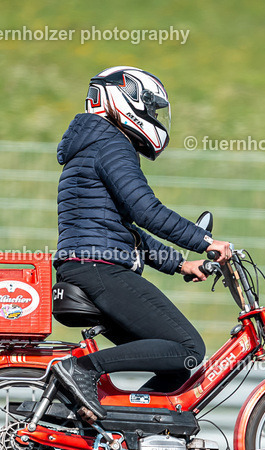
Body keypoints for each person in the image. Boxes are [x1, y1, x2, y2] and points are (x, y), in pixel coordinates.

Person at [51, 66, 232, 420]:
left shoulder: (94, 144)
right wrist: (205, 241)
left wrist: (181, 263)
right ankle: (82, 370)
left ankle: (129, 438)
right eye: (148, 107)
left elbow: (126, 229)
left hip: (87, 266)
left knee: (174, 364)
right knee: (187, 347)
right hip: (99, 269)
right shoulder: (110, 144)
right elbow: (146, 210)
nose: (151, 116)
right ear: (124, 97)